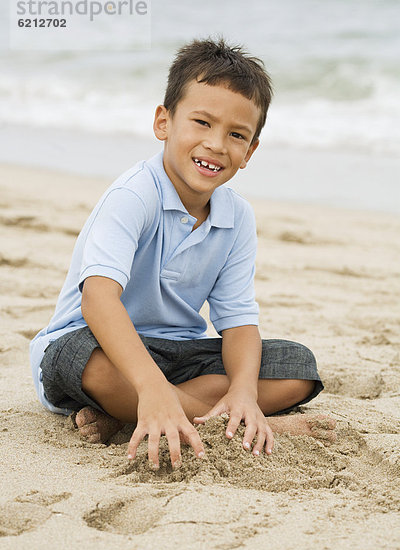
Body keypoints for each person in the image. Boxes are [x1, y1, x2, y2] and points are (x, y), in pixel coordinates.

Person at [30, 38, 336, 470]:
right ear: (164, 122)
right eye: (202, 122)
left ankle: (139, 411)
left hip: (178, 356)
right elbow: (97, 299)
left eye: (236, 135)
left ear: (249, 152)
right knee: (81, 361)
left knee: (296, 367)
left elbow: (239, 321)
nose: (216, 144)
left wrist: (245, 391)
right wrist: (150, 386)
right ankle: (196, 415)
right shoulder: (133, 195)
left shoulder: (237, 218)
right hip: (99, 346)